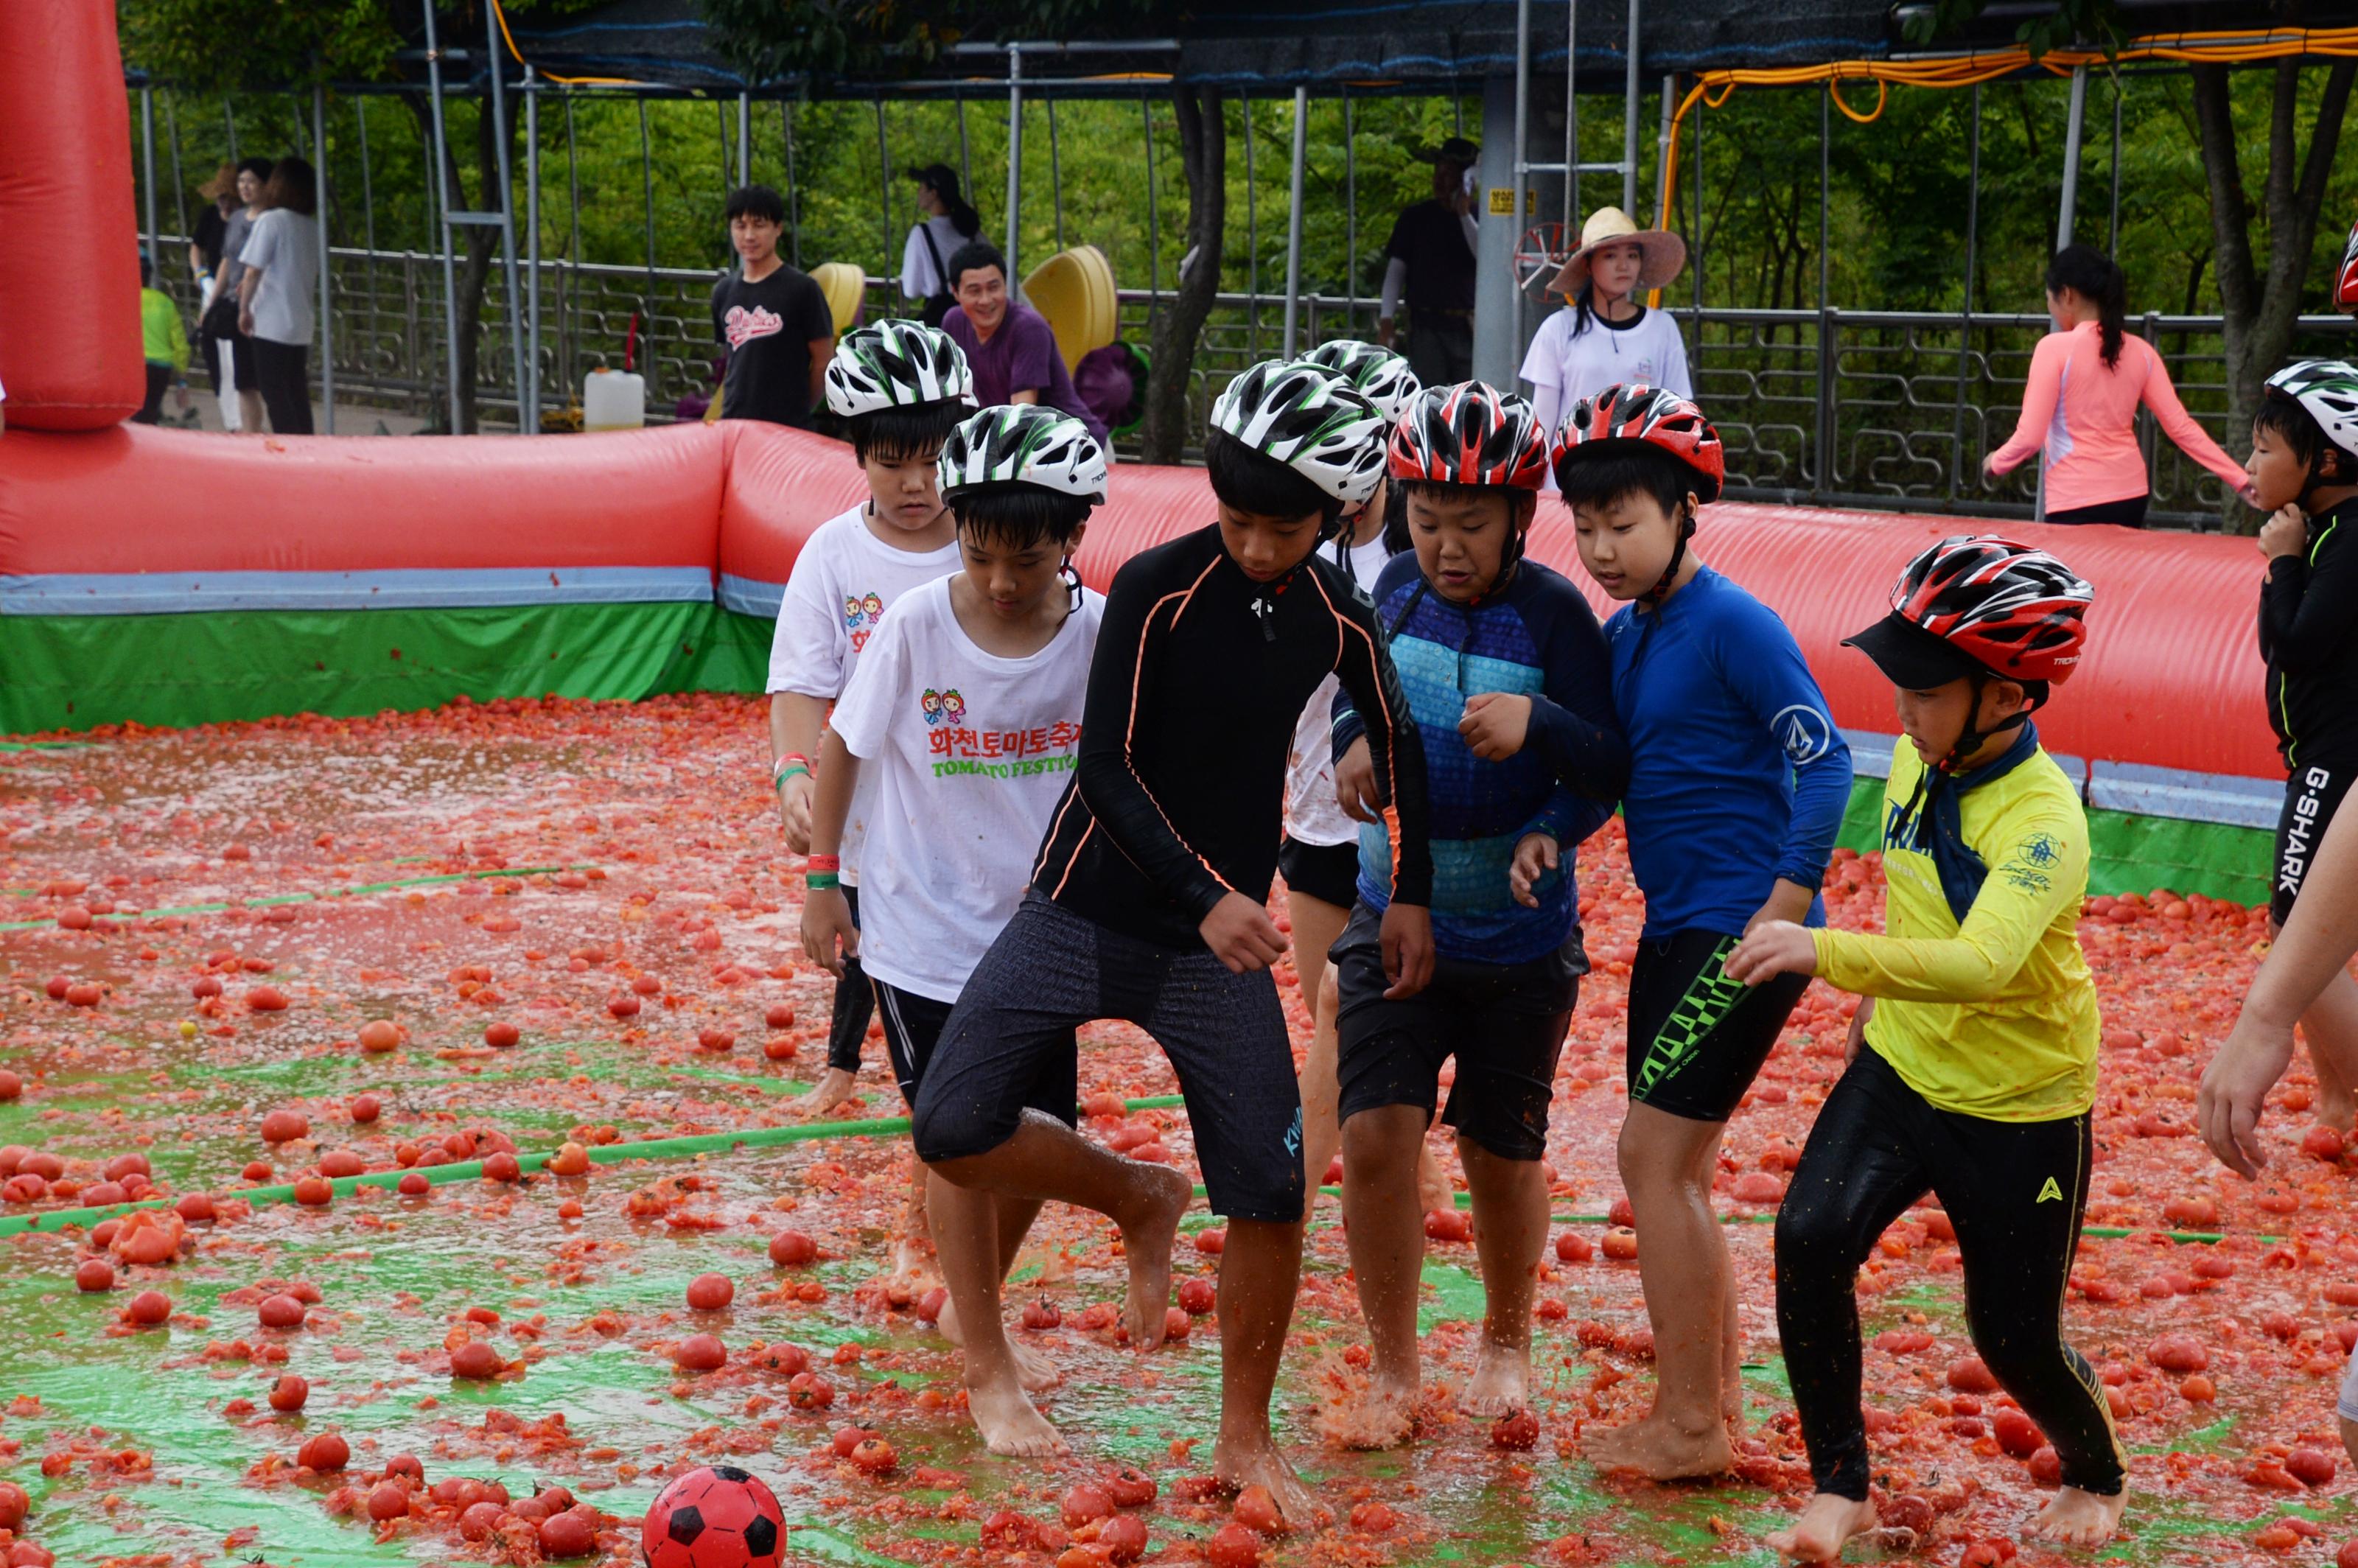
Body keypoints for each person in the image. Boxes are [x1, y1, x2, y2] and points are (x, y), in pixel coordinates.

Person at [909, 360, 1432, 1511]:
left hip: (1214, 950)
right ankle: (1135, 1194)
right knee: (949, 1124)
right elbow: (1105, 767)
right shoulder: (1154, 584)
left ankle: (1246, 1439)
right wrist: (1206, 894)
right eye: (1237, 520)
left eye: (1281, 529)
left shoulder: (1339, 613)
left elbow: (1402, 745)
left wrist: (1414, 897)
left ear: (1335, 515)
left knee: (1270, 1185)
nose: (1254, 547)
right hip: (1083, 907)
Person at [1726, 536, 2126, 1560]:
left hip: (2020, 1104)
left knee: (2013, 1338)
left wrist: (1821, 952)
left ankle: (2096, 1472)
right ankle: (1841, 1484)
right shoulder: (1920, 752)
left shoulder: (2045, 821)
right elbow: (1911, 890)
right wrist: (1873, 1009)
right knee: (1810, 1237)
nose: (1900, 703)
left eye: (1924, 685)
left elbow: (1986, 962)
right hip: (1902, 1067)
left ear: (2007, 696)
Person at [1553, 382, 1853, 1480]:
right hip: (1677, 926)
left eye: (1623, 524)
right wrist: (1554, 832)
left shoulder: (1736, 623)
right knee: (1680, 1165)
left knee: (1652, 1156)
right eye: (1584, 528)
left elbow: (1826, 758)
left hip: (1739, 927)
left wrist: (1785, 902)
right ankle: (1710, 1402)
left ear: (1686, 511)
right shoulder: (1625, 637)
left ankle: (1689, 1428)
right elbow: (1617, 776)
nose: (1601, 548)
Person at [1332, 382, 1628, 1447]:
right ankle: (1395, 1365)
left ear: (1519, 515)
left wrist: (1550, 793)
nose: (1447, 547)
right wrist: (1349, 748)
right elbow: (1348, 698)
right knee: (1374, 1136)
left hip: (1518, 941)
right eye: (1426, 520)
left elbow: (1605, 758)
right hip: (1389, 912)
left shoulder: (1555, 614)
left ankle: (1506, 1340)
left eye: (1472, 524)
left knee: (1501, 1156)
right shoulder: (1389, 593)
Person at [801, 401, 1104, 1396]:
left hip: (1041, 931)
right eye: (980, 557)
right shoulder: (918, 625)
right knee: (959, 1136)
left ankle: (967, 1303)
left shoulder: (1101, 634)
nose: (1002, 583)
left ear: (1074, 537)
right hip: (921, 930)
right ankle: (984, 1355)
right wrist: (823, 883)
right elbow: (841, 744)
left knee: (1040, 1135)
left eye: (1028, 559)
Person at [768, 321, 974, 1119]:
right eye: (893, 465)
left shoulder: (990, 543)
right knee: (864, 937)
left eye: (933, 462)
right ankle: (848, 1069)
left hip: (970, 798)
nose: (917, 484)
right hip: (868, 802)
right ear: (856, 456)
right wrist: (793, 774)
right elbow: (799, 682)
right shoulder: (831, 554)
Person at [1280, 339, 1442, 1212]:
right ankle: (1406, 1173)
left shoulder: (1423, 554)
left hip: (1401, 831)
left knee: (1350, 1013)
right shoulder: (1292, 537)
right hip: (1316, 821)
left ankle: (1287, 1199)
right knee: (1330, 1017)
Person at [2250, 360, 2358, 1127]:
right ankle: (2335, 1099)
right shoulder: (2323, 529)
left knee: (2292, 931)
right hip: (2314, 752)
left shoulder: (2346, 539)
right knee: (2308, 932)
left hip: (2336, 757)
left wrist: (2281, 562)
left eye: (2263, 449)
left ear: (2322, 460)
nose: (2250, 464)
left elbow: (2294, 644)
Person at [1984, 245, 2260, 525]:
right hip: (2131, 495)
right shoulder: (2141, 351)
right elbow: (2182, 429)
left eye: (2049, 298)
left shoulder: (2053, 349)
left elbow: (2030, 437)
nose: (2050, 307)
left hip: (2075, 497)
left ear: (2066, 295)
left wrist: (1996, 462)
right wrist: (2239, 479)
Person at [2203, 800, 2358, 1178]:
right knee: (2289, 924)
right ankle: (2338, 1107)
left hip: (2327, 746)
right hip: (2312, 747)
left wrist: (2264, 1019)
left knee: (2290, 921)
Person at [1521, 206, 1692, 485]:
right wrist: (1534, 488)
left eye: (1632, 256)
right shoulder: (1559, 329)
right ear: (1589, 265)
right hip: (1569, 480)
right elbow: (1542, 420)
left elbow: (1678, 413)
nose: (1623, 266)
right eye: (1611, 256)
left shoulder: (1663, 329)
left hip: (1641, 480)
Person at [940, 241, 1110, 448]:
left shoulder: (1028, 328)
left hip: (1080, 447)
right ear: (955, 292)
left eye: (994, 287)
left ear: (1006, 285)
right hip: (1021, 448)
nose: (986, 300)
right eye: (974, 291)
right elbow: (950, 398)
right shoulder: (953, 322)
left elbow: (1021, 415)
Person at [711, 184, 835, 429]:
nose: (749, 236)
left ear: (778, 228)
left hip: (787, 427)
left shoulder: (803, 289)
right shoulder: (723, 291)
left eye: (759, 225)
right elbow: (730, 360)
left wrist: (799, 410)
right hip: (734, 423)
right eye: (740, 225)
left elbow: (824, 361)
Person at [1378, 136, 1480, 388]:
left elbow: (1485, 256)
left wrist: (1464, 214)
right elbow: (1396, 271)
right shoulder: (1416, 217)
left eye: (1449, 175)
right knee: (1426, 395)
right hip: (1426, 325)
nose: (1440, 181)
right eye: (1438, 173)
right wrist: (1386, 321)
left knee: (1469, 398)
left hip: (1468, 326)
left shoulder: (1481, 217)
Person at [236, 155, 321, 436]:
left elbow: (252, 272)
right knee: (296, 389)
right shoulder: (311, 227)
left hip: (271, 320)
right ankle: (307, 443)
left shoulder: (271, 221)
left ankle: (290, 446)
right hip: (301, 320)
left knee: (274, 391)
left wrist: (244, 308)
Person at [204, 156, 272, 433]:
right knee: (242, 378)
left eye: (252, 181)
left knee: (265, 375)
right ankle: (250, 432)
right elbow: (226, 261)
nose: (245, 187)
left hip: (262, 304)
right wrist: (213, 301)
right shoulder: (235, 219)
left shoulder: (271, 220)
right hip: (234, 304)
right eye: (242, 181)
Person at [900, 164, 983, 328]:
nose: (919, 192)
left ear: (933, 193)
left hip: (943, 321)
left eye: (922, 187)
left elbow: (910, 289)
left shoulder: (922, 234)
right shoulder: (973, 233)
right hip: (976, 318)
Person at [133, 253, 191, 427]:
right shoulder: (165, 302)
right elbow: (180, 344)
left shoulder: (123, 300)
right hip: (162, 367)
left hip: (136, 365)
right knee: (150, 412)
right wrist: (182, 379)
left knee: (136, 416)